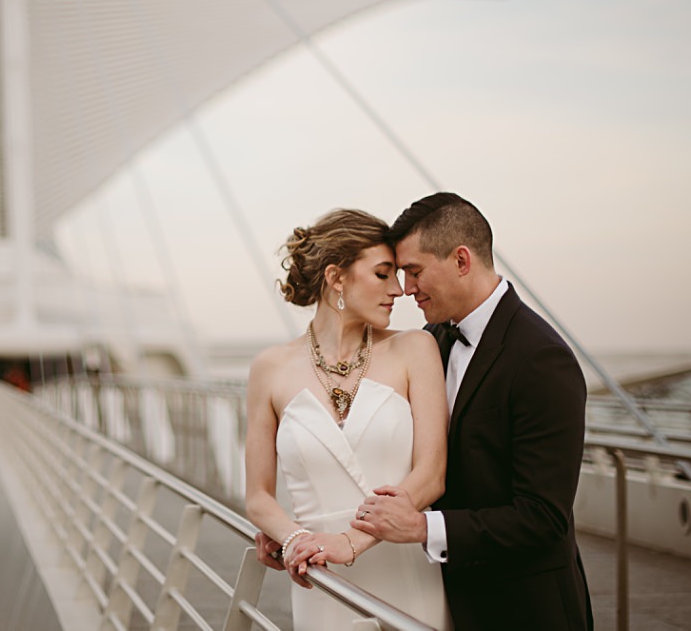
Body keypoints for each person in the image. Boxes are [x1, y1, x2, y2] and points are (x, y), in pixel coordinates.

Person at [353, 193, 593, 631]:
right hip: (447, 602)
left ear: (461, 260)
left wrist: (425, 529)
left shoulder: (541, 358)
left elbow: (543, 517)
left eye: (415, 270)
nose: (407, 288)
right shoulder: (431, 340)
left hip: (525, 610)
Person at [245, 208, 452, 630]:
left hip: (406, 573)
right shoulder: (269, 368)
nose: (398, 290)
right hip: (322, 580)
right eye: (382, 274)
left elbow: (431, 475)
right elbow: (258, 497)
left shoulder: (416, 349)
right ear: (337, 278)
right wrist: (293, 538)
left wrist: (349, 541)